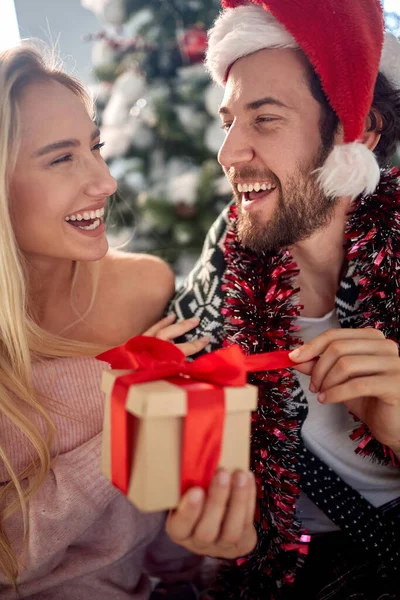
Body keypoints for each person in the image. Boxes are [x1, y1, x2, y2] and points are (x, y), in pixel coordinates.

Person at [0, 44, 257, 599]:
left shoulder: (147, 289)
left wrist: (210, 546)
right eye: (61, 158)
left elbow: (160, 521)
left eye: (94, 147)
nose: (105, 182)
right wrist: (122, 426)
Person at [170, 0, 400, 598]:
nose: (228, 154)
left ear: (360, 130)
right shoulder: (229, 251)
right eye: (228, 121)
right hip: (286, 570)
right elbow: (181, 395)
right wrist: (212, 526)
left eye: (265, 119)